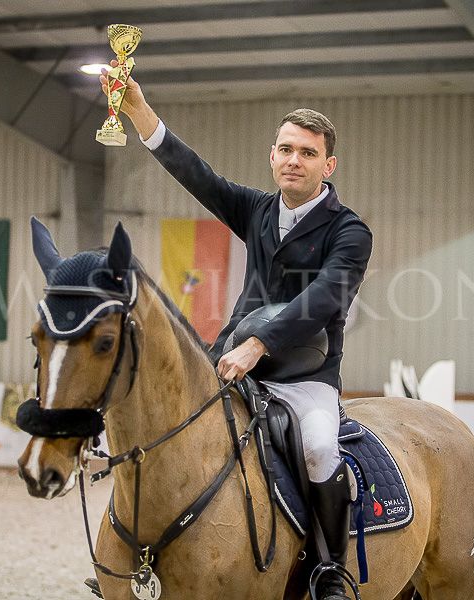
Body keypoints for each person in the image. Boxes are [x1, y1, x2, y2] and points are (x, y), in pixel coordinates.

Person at [101, 64, 372, 600]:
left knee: (320, 448)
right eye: (286, 149)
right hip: (232, 362)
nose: (294, 160)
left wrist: (259, 343)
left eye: (308, 153)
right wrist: (139, 111)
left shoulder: (350, 231)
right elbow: (197, 175)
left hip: (305, 376)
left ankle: (330, 570)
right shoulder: (256, 209)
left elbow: (324, 299)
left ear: (328, 165)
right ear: (272, 156)